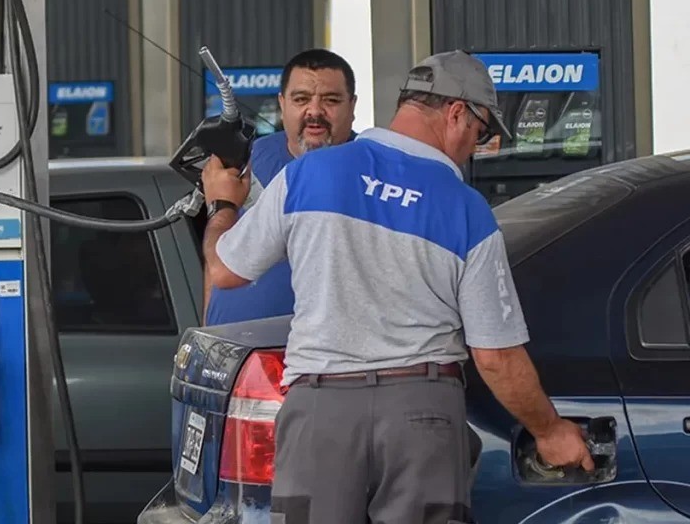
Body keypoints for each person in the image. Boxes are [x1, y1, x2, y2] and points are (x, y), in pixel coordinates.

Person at [200, 50, 593, 523]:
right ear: (456, 113)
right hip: (420, 419)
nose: (475, 145)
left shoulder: (307, 174)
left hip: (319, 415)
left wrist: (222, 204)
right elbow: (495, 355)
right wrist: (549, 431)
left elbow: (224, 270)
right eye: (481, 131)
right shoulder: (465, 209)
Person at [203, 48, 358, 326]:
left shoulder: (372, 169)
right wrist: (206, 332)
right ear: (282, 104)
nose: (314, 111)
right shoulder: (250, 157)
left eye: (331, 100)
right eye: (301, 99)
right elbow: (219, 253)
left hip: (316, 360)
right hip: (228, 353)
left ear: (353, 106)